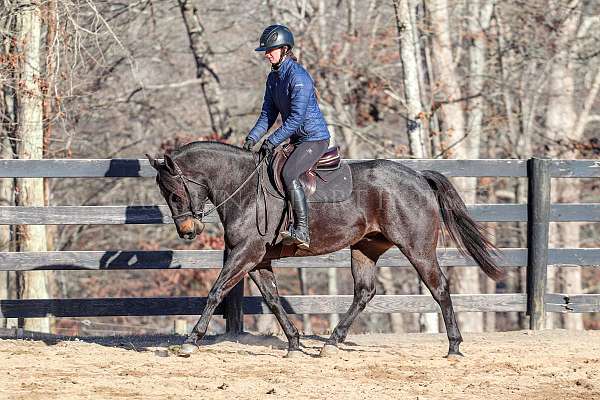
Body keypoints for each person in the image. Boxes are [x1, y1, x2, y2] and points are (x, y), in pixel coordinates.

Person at [244, 24, 330, 249]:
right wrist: (252, 138)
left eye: (270, 50)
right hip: (295, 139)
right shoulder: (273, 79)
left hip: (314, 138)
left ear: (284, 49)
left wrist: (272, 141)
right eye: (266, 50)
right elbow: (267, 114)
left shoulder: (298, 76)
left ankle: (302, 229)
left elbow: (296, 119)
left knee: (289, 172)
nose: (266, 54)